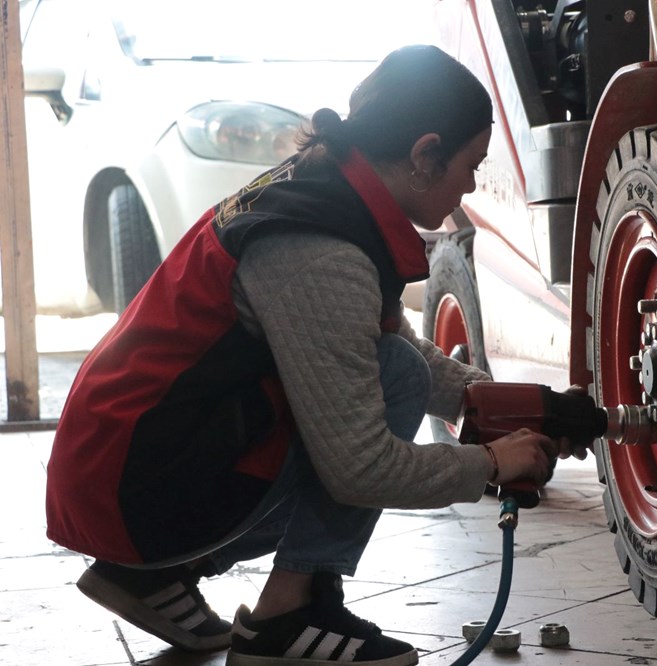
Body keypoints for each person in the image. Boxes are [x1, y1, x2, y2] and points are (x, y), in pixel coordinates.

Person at [45, 44, 583, 666]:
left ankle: (146, 575)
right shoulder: (321, 249)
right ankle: (285, 616)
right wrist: (488, 463)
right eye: (470, 165)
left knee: (390, 368)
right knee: (391, 385)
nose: (470, 186)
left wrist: (523, 407)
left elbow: (382, 342)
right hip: (132, 490)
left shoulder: (327, 191)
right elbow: (360, 467)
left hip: (128, 463)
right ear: (423, 153)